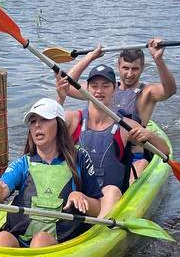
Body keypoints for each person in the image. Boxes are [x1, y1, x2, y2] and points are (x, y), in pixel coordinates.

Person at [0, 98, 103, 248]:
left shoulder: (79, 158)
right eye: (33, 121)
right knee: (2, 238)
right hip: (21, 236)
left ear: (59, 125)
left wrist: (80, 197)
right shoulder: (23, 163)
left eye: (44, 120)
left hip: (60, 241)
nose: (37, 125)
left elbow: (97, 210)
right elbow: (2, 190)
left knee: (40, 240)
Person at [56, 64, 170, 217]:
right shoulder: (73, 119)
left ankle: (102, 231)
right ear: (87, 89)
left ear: (114, 90)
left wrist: (149, 135)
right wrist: (60, 99)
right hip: (75, 194)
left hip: (106, 200)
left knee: (112, 191)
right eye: (94, 86)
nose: (99, 91)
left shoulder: (126, 126)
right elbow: (46, 131)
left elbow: (165, 152)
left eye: (105, 86)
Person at [62, 41, 177, 176]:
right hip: (103, 150)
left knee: (140, 166)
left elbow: (170, 90)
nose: (129, 74)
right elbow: (67, 86)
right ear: (118, 66)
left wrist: (159, 60)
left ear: (142, 68)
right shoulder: (102, 90)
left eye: (135, 69)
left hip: (134, 154)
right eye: (125, 68)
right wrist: (90, 57)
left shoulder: (147, 92)